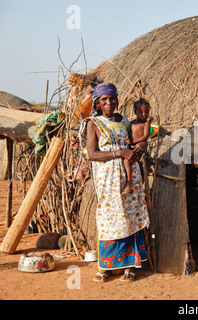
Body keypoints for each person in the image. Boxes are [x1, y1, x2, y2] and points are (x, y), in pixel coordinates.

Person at [79, 83, 150, 282]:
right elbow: (92, 154)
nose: (109, 103)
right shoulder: (93, 123)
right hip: (107, 178)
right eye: (104, 100)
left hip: (130, 175)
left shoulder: (125, 121)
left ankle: (130, 265)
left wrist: (141, 146)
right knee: (110, 217)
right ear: (98, 103)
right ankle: (106, 266)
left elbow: (135, 140)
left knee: (130, 215)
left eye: (112, 99)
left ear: (117, 100)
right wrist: (118, 152)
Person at [123, 99, 151, 194]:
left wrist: (132, 141)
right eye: (141, 112)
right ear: (135, 112)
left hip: (138, 148)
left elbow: (145, 136)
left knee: (127, 162)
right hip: (130, 148)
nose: (144, 114)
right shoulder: (132, 123)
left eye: (146, 112)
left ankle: (129, 182)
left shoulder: (146, 124)